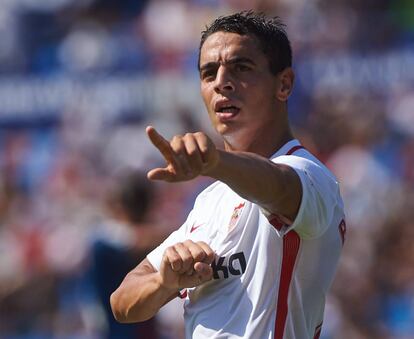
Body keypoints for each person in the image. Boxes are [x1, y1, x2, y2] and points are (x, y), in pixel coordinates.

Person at [110, 11, 346, 339]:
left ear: (284, 84)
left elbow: (278, 188)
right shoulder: (210, 201)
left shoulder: (310, 175)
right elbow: (122, 302)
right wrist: (165, 282)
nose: (222, 82)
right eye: (209, 73)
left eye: (241, 67)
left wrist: (214, 162)